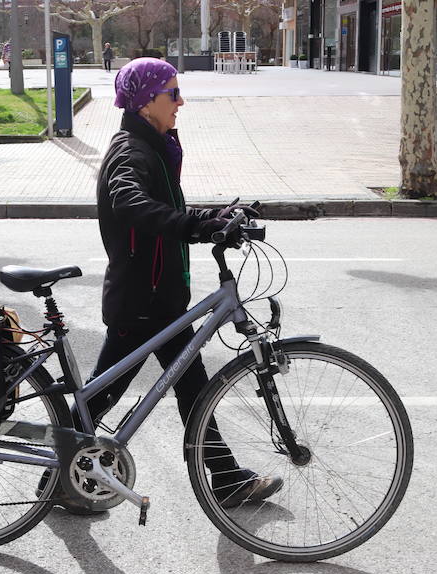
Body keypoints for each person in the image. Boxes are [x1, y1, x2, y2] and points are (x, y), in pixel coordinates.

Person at [49, 57, 283, 514]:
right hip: (141, 300)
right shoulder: (132, 152)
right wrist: (196, 226)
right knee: (105, 396)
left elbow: (163, 208)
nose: (180, 101)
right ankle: (55, 477)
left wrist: (212, 217)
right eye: (171, 93)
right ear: (145, 101)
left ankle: (226, 477)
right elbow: (133, 204)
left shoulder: (152, 146)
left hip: (158, 298)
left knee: (190, 389)